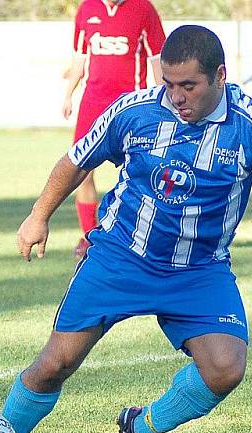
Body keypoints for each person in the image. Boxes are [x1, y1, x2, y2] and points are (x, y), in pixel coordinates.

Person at [4, 25, 252, 433]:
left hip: (199, 272)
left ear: (220, 76)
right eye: (169, 84)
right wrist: (39, 215)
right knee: (55, 364)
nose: (175, 96)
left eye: (188, 85)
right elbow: (77, 161)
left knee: (225, 369)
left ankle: (143, 425)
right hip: (120, 258)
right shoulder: (135, 111)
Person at [63, 0, 166, 259]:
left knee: (144, 169)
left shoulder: (143, 9)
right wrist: (68, 95)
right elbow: (79, 58)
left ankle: (147, 234)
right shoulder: (87, 9)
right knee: (81, 170)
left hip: (129, 106)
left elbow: (157, 60)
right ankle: (89, 236)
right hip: (92, 103)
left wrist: (166, 100)